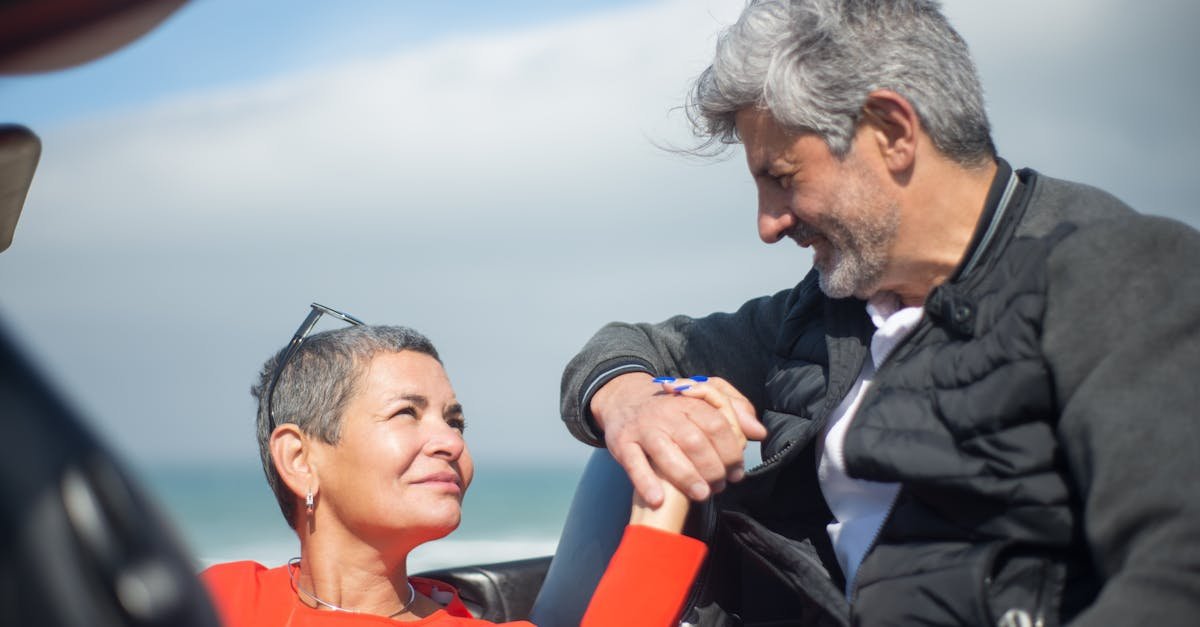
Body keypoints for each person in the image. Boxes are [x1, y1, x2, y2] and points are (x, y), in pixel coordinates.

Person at [559, 1, 1200, 625]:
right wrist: (633, 403)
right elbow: (626, 346)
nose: (767, 224)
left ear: (892, 133)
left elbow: (1172, 575)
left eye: (781, 176)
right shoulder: (821, 311)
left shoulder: (1121, 276)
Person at [202, 304, 729, 626]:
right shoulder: (214, 599)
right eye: (406, 413)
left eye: (456, 422)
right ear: (299, 459)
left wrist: (669, 458)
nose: (449, 442)